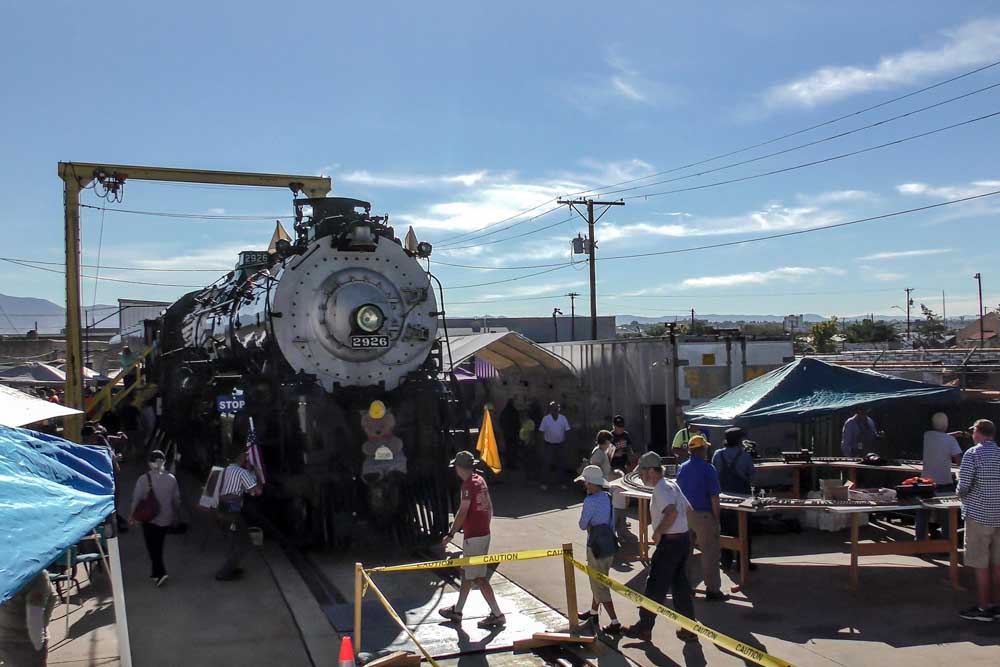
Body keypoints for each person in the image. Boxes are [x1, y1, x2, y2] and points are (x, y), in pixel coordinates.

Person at [622, 452, 698, 643]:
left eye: (643, 473)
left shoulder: (661, 489)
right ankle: (689, 628)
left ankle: (644, 628)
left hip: (670, 543)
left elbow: (671, 513)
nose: (642, 477)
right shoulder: (672, 484)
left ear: (651, 471)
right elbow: (688, 509)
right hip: (682, 541)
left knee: (654, 585)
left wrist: (658, 532)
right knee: (680, 586)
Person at [439, 451, 506, 629]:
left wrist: (451, 534)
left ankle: (497, 614)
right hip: (483, 533)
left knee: (479, 578)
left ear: (460, 468)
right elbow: (489, 507)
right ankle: (457, 611)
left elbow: (462, 512)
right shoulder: (480, 481)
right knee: (467, 574)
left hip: (474, 536)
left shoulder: (468, 486)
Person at [957, 419, 1000, 622]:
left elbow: (963, 486)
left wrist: (961, 495)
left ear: (978, 432)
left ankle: (983, 608)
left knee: (980, 563)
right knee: (998, 563)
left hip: (979, 515)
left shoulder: (972, 454)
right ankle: (997, 605)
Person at [677, 435, 725, 601]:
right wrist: (716, 518)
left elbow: (678, 492)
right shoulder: (708, 469)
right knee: (709, 553)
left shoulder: (682, 468)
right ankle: (712, 590)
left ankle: (686, 587)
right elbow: (714, 497)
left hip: (686, 515)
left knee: (686, 554)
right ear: (703, 450)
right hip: (704, 515)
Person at [574, 465, 621, 634]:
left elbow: (582, 525)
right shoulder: (608, 498)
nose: (585, 486)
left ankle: (615, 621)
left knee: (599, 586)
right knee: (599, 581)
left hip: (595, 548)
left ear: (592, 484)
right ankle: (593, 613)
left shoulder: (590, 501)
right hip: (609, 546)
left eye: (586, 483)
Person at [129, 450, 182, 587]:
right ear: (164, 462)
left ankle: (160, 573)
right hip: (166, 518)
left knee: (152, 546)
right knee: (158, 544)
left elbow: (136, 499)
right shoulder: (171, 479)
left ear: (149, 463)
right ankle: (155, 573)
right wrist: (177, 515)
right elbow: (176, 500)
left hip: (148, 518)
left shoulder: (143, 479)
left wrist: (132, 515)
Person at [215, 451, 262, 581]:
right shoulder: (242, 473)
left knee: (231, 541)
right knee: (244, 542)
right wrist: (257, 473)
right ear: (243, 460)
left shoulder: (228, 469)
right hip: (231, 511)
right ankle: (224, 573)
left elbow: (245, 489)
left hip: (221, 508)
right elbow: (256, 491)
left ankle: (232, 567)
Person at [916, 412, 963, 541]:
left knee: (922, 514)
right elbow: (959, 460)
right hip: (944, 481)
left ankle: (919, 543)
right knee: (946, 517)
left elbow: (939, 438)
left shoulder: (928, 436)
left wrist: (952, 435)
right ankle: (946, 544)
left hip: (925, 482)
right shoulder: (950, 440)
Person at [713, 427, 755, 571]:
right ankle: (744, 563)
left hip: (723, 498)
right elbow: (751, 475)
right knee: (744, 530)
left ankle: (725, 562)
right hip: (742, 499)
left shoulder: (717, 455)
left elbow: (714, 474)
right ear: (739, 440)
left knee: (724, 530)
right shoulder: (745, 456)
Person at [0, 570, 54, 666]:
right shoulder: (36, 575)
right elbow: (35, 614)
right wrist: (38, 644)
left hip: (4, 636)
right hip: (26, 641)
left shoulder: (3, 570)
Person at [538, 402, 571, 490]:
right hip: (549, 444)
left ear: (559, 409)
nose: (555, 410)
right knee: (546, 464)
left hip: (560, 444)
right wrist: (541, 446)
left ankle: (561, 483)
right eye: (553, 408)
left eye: (557, 408)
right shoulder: (546, 419)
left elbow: (567, 431)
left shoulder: (563, 418)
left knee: (561, 464)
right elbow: (541, 432)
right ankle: (544, 483)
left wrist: (566, 444)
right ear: (550, 409)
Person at [499, 398, 522, 469]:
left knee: (508, 448)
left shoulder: (504, 411)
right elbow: (518, 423)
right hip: (514, 434)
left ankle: (508, 464)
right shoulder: (515, 412)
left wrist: (504, 430)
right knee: (513, 449)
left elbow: (501, 422)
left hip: (506, 434)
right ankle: (512, 464)